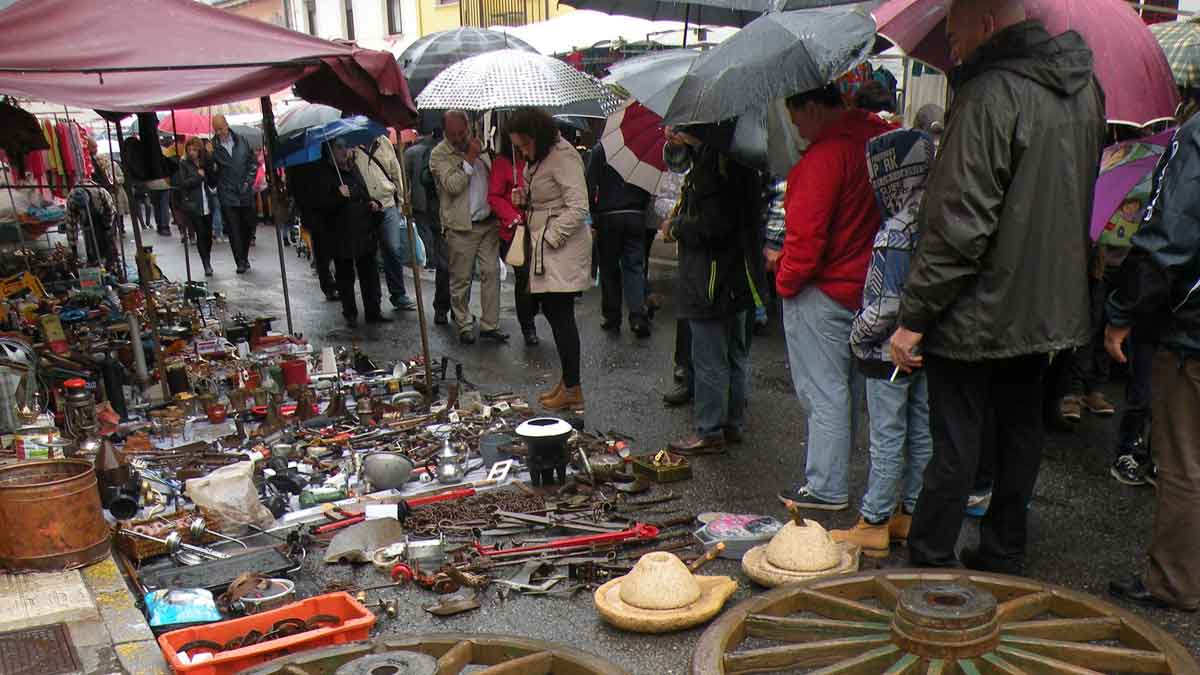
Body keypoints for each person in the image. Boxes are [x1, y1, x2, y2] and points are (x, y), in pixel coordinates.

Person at [889, 0, 1106, 573]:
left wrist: (914, 318)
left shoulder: (988, 93)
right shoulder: (1085, 89)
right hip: (1047, 303)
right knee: (1019, 429)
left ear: (986, 23)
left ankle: (932, 559)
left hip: (977, 305)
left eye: (954, 29)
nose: (948, 41)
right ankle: (1004, 549)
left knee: (957, 442)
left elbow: (959, 221)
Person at [771, 83, 897, 510]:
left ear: (811, 106)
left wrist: (784, 280)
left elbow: (806, 241)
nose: (798, 129)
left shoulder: (824, 157)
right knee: (854, 393)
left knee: (824, 391)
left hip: (823, 291)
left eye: (797, 117)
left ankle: (826, 486)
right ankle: (851, 482)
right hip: (870, 286)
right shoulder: (876, 140)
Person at [1104, 114, 1200, 612]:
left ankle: (1176, 581)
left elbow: (1167, 238)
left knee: (1183, 463)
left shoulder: (1196, 135)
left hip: (1192, 332)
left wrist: (1122, 313)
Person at [830, 127, 936, 557]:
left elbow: (883, 305)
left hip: (885, 354)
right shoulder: (934, 221)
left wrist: (857, 335)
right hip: (924, 347)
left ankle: (874, 520)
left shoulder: (895, 230)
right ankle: (910, 512)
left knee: (887, 436)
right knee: (921, 431)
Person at [662, 122, 763, 453]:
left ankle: (710, 430)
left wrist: (676, 227)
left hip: (711, 275)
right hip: (737, 272)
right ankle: (731, 424)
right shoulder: (736, 155)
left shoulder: (715, 164)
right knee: (734, 353)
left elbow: (712, 224)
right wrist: (686, 145)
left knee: (709, 357)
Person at [507, 108, 591, 411]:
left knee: (561, 314)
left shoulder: (563, 155)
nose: (521, 150)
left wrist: (551, 236)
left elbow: (578, 206)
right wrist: (525, 199)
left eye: (524, 144)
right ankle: (568, 383)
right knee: (555, 314)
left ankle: (573, 387)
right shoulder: (542, 156)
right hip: (545, 244)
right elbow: (547, 197)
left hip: (560, 247)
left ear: (537, 136)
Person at [430, 111, 508, 344]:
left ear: (468, 127)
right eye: (453, 134)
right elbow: (453, 185)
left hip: (488, 222)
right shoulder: (439, 155)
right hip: (461, 226)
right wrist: (470, 159)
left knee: (491, 273)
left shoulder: (479, 147)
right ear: (445, 132)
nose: (458, 138)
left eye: (461, 132)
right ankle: (463, 323)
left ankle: (489, 325)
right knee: (461, 278)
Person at [315, 139, 388, 326]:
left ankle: (373, 311)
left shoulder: (353, 169)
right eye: (339, 147)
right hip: (341, 232)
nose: (344, 151)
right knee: (345, 276)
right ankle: (350, 313)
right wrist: (339, 196)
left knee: (369, 274)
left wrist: (373, 204)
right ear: (330, 151)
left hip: (363, 229)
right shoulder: (325, 174)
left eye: (345, 146)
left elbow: (363, 193)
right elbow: (322, 206)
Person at [587, 143, 652, 337]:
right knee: (634, 266)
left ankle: (612, 317)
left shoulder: (602, 150)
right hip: (635, 213)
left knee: (609, 268)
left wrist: (593, 214)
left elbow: (590, 184)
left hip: (609, 215)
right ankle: (637, 315)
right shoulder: (641, 148)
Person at [354, 134, 418, 312]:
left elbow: (396, 171)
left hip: (388, 203)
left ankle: (398, 294)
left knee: (392, 247)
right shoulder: (352, 145)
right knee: (368, 254)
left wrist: (402, 200)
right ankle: (373, 301)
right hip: (365, 206)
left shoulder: (384, 142)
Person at [489, 134, 539, 346]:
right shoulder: (503, 163)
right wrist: (514, 216)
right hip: (516, 229)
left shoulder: (538, 159)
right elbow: (494, 196)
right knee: (523, 276)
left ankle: (534, 312)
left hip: (538, 225)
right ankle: (528, 326)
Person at [405, 131, 452, 322]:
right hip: (437, 211)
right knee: (447, 264)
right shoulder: (435, 154)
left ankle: (451, 309)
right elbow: (426, 179)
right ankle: (444, 308)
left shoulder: (416, 151)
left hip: (430, 207)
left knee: (452, 266)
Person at [210, 114, 257, 274]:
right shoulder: (213, 147)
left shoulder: (241, 141)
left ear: (227, 125)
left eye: (222, 128)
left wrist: (248, 182)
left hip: (244, 191)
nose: (220, 132)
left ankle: (244, 255)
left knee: (249, 225)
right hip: (227, 194)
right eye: (216, 130)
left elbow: (252, 163)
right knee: (233, 228)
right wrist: (210, 159)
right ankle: (240, 261)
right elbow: (211, 177)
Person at [174, 137, 216, 276]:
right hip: (194, 204)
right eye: (189, 150)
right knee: (201, 233)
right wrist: (198, 177)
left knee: (208, 234)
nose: (192, 152)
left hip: (207, 202)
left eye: (195, 150)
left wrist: (210, 169)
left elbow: (212, 180)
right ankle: (206, 264)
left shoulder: (205, 162)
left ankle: (208, 258)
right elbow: (183, 183)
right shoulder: (184, 164)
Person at [66, 180, 116, 269]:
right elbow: (71, 224)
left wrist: (107, 226)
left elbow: (110, 210)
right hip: (86, 222)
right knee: (90, 245)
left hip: (101, 217)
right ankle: (94, 261)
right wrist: (73, 247)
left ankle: (111, 263)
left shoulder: (99, 192)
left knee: (107, 242)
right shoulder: (71, 200)